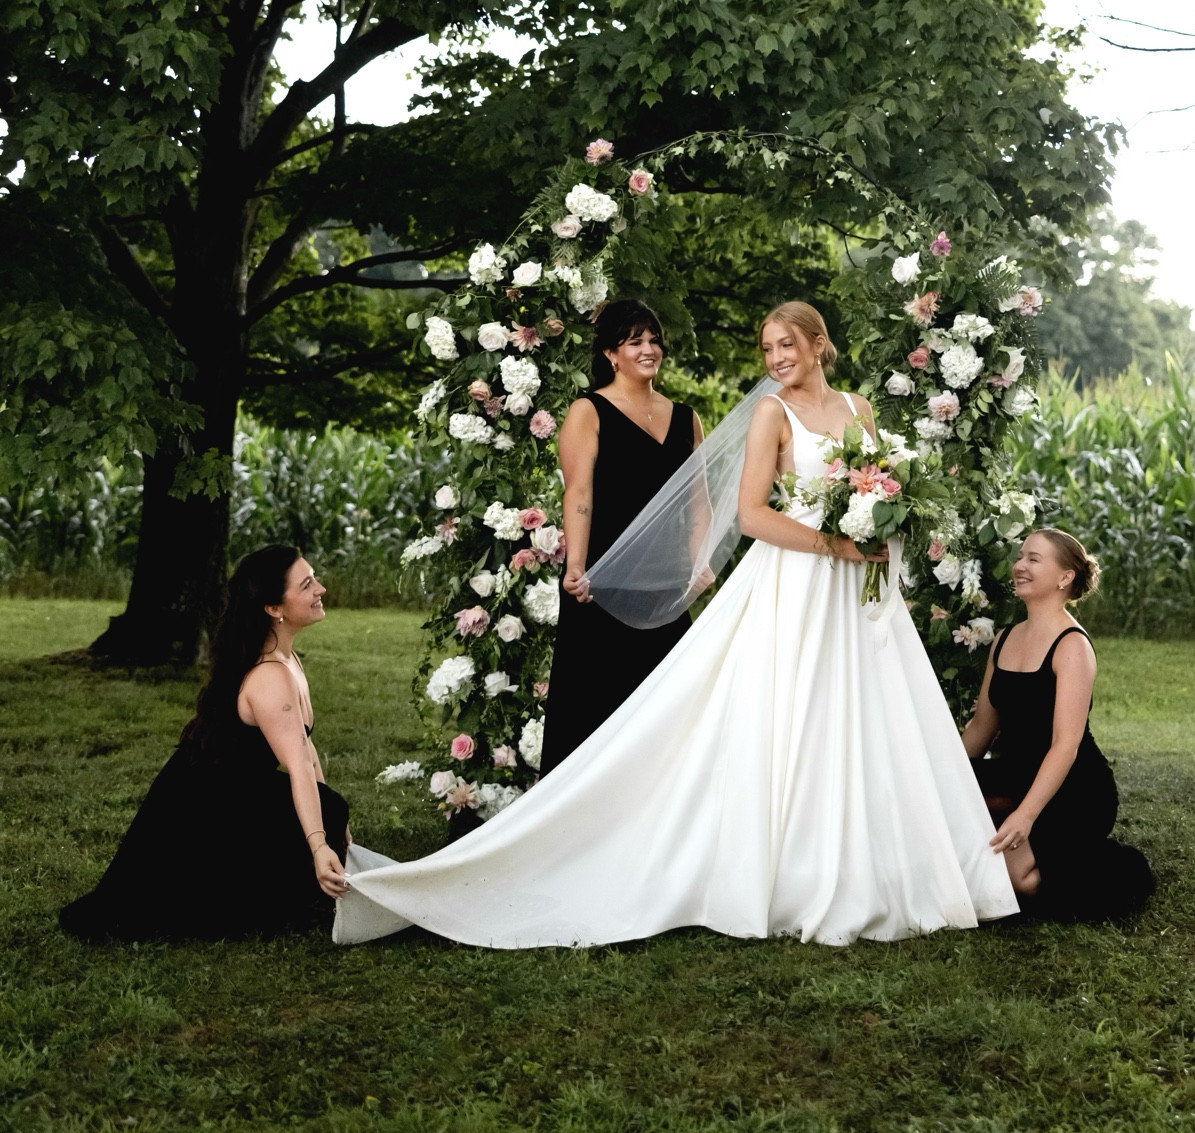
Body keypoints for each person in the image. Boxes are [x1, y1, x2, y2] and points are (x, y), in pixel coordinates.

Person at [334, 300, 1016, 948]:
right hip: (801, 579)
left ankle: (887, 866)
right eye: (767, 348)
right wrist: (837, 541)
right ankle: (788, 869)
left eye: (787, 344)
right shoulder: (769, 415)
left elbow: (878, 486)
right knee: (785, 716)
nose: (776, 357)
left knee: (867, 715)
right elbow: (750, 516)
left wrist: (882, 524)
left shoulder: (860, 410)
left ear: (818, 345)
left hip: (860, 592)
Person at [60, 545, 350, 942]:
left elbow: (304, 749)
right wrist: (320, 846)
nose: (322, 588)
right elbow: (298, 767)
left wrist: (335, 826)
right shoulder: (270, 676)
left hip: (233, 789)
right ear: (274, 608)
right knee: (320, 822)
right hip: (202, 806)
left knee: (330, 808)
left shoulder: (288, 659)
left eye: (313, 578)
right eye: (307, 584)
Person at [539, 299, 703, 773]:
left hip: (665, 589)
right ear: (612, 354)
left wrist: (699, 564)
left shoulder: (686, 417)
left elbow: (699, 503)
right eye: (635, 342)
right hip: (601, 585)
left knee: (670, 711)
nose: (649, 349)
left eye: (653, 340)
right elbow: (580, 494)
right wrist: (577, 567)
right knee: (596, 713)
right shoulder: (588, 411)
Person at [961, 527, 1155, 922]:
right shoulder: (1004, 639)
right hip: (1013, 775)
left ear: (1065, 577)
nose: (1020, 566)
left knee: (1020, 882)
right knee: (942, 805)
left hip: (1073, 787)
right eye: (1020, 557)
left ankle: (1119, 863)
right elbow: (982, 728)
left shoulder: (1072, 646)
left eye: (1034, 559)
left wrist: (1026, 816)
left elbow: (1065, 745)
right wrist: (944, 780)